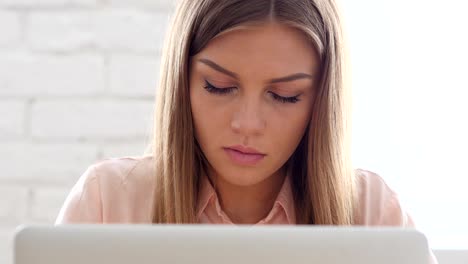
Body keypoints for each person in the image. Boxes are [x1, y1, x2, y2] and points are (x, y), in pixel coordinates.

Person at [56, 0, 437, 262]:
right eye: (219, 87)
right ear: (182, 81)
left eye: (285, 96)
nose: (248, 124)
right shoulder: (108, 201)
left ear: (322, 100)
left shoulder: (372, 213)